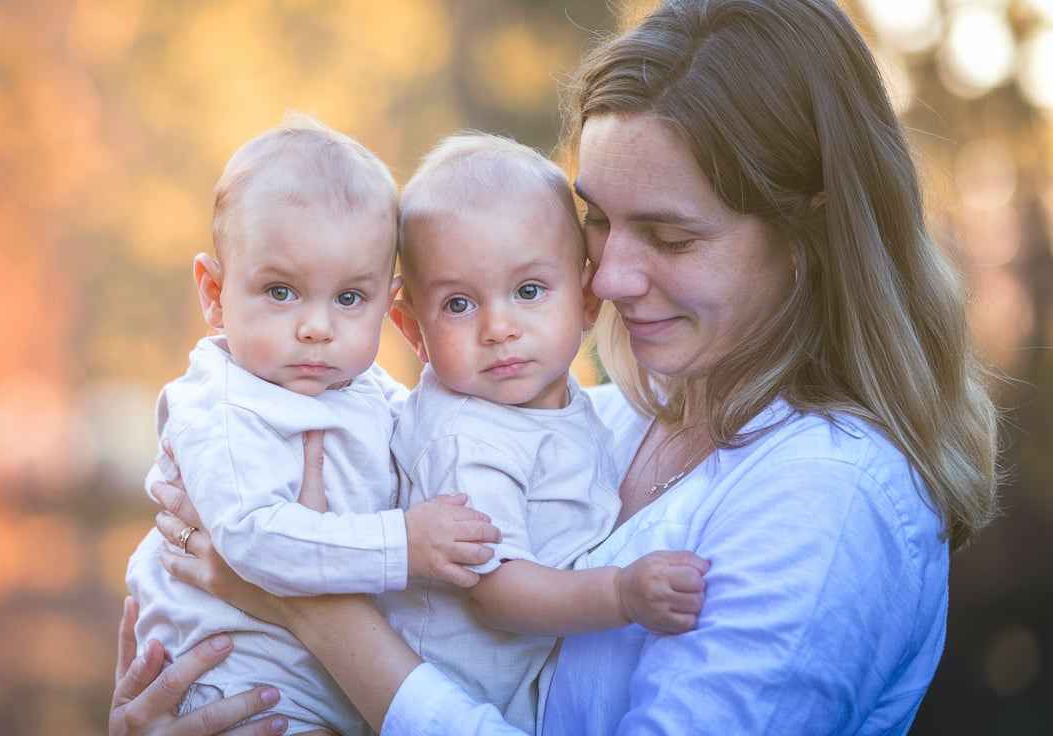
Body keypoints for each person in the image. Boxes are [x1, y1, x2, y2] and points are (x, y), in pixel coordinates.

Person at [117, 0, 999, 733]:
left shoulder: (830, 497)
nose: (607, 278)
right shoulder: (605, 420)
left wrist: (312, 607)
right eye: (599, 225)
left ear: (810, 239)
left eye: (671, 235)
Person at [123, 114, 500, 735]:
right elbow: (251, 539)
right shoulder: (222, 406)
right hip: (233, 682)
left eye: (349, 298)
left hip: (334, 676)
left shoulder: (362, 388)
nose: (317, 326)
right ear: (214, 293)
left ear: (388, 299)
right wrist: (405, 543)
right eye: (280, 292)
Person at [380, 131, 709, 731]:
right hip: (443, 694)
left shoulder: (556, 403)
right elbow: (497, 592)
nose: (499, 327)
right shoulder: (466, 440)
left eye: (528, 291)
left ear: (586, 298)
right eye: (458, 304)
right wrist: (621, 595)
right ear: (410, 326)